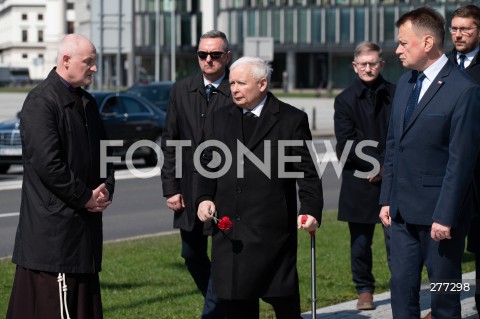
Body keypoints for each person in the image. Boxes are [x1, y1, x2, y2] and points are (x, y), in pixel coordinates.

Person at [196, 56, 324, 319]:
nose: (233, 89)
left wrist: (310, 210)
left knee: (285, 307)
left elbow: (307, 174)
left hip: (271, 233)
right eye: (231, 83)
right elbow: (208, 162)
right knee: (238, 307)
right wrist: (204, 197)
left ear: (262, 84)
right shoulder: (220, 117)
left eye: (241, 83)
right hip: (232, 232)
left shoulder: (290, 119)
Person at [379, 7, 480, 319]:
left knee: (444, 296)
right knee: (402, 290)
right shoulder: (405, 84)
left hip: (440, 221)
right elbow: (394, 146)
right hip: (401, 217)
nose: (397, 50)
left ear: (426, 43)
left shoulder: (464, 90)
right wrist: (386, 199)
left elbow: (460, 161)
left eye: (403, 43)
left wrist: (445, 217)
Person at [6, 33, 115, 319]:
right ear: (66, 60)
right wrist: (84, 197)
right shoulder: (41, 101)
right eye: (88, 62)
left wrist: (106, 190)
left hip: (83, 235)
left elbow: (107, 151)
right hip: (55, 240)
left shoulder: (88, 102)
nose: (94, 68)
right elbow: (48, 164)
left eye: (95, 62)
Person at [160, 30, 232, 318]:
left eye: (215, 55)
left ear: (227, 57)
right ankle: (222, 304)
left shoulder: (237, 88)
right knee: (191, 255)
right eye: (203, 54)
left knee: (226, 256)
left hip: (226, 189)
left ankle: (213, 313)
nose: (209, 60)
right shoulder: (181, 90)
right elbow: (170, 141)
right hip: (188, 189)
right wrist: (170, 187)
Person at [334, 41, 394, 311]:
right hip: (360, 182)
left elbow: (401, 137)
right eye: (363, 64)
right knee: (360, 244)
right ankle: (364, 290)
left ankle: (402, 286)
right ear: (355, 66)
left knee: (398, 242)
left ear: (381, 65)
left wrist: (386, 168)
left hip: (393, 180)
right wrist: (374, 167)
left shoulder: (396, 92)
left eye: (373, 63)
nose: (368, 68)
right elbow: (344, 143)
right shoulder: (344, 99)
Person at [447, 5, 480, 318]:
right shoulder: (442, 65)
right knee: (446, 251)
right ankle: (448, 306)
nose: (458, 34)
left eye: (465, 29)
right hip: (449, 175)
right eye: (454, 28)